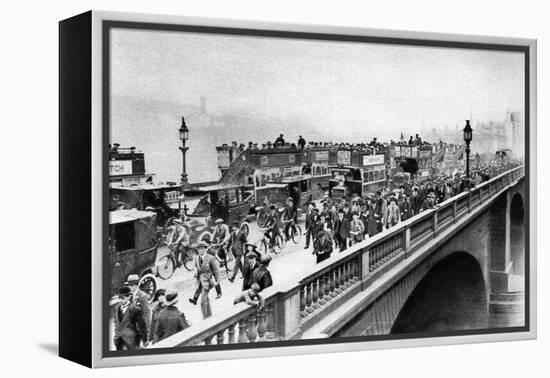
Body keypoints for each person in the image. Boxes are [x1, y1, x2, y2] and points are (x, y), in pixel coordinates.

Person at [189, 241, 221, 319]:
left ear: (206, 249)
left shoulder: (210, 258)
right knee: (206, 299)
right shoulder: (196, 258)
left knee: (203, 302)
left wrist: (217, 281)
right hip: (199, 281)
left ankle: (205, 318)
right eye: (199, 249)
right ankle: (209, 316)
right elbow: (196, 267)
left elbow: (216, 270)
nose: (200, 250)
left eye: (202, 249)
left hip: (207, 282)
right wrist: (195, 272)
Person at [113, 286, 148, 350]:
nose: (120, 300)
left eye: (122, 298)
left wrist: (144, 340)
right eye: (119, 298)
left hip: (131, 342)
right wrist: (116, 335)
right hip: (119, 341)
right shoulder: (116, 308)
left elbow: (142, 326)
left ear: (129, 297)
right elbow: (116, 322)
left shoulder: (135, 310)